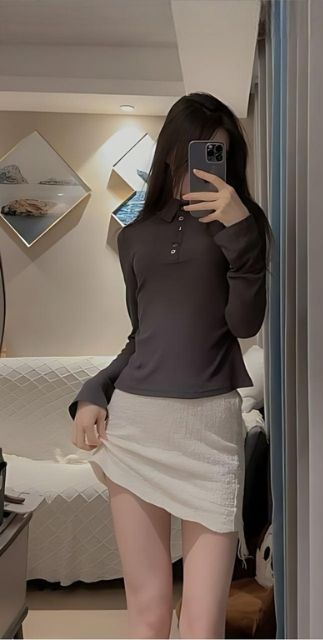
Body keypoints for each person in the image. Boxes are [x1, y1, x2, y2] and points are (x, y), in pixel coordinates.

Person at [69, 92, 270, 639]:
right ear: (170, 154)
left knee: (203, 625)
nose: (203, 167)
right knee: (149, 614)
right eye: (195, 152)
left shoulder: (245, 227)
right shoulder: (134, 236)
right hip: (137, 429)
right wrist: (94, 390)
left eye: (216, 154)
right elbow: (141, 338)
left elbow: (244, 323)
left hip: (210, 433)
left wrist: (239, 229)